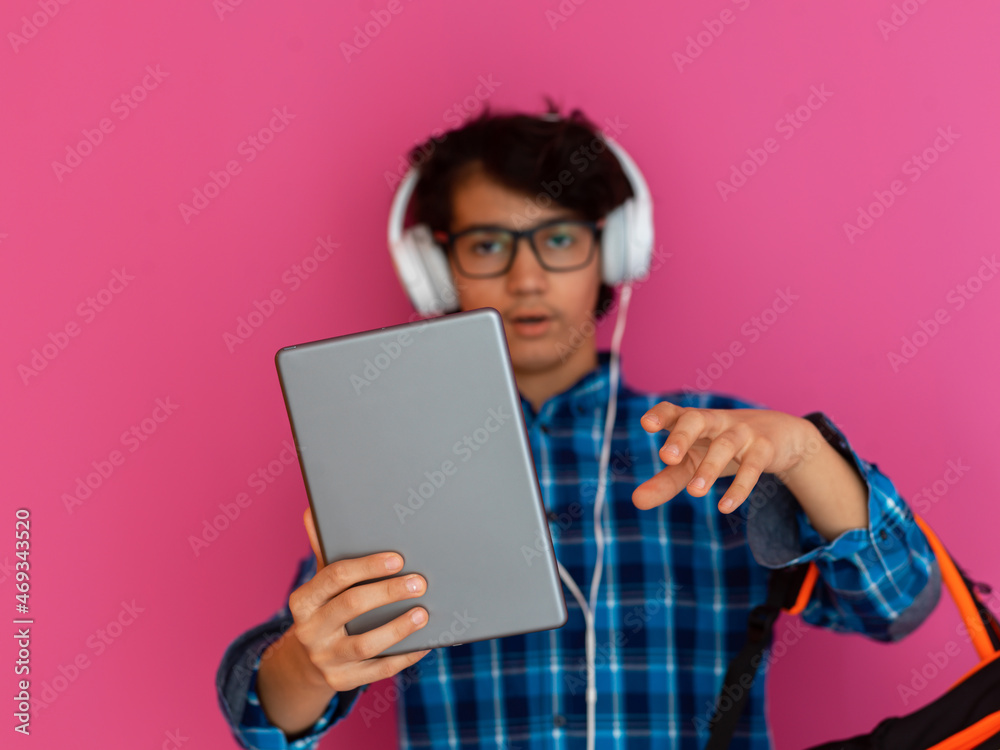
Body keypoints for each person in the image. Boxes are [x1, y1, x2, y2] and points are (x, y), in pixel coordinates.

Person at [216, 100, 941, 749]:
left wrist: (809, 453)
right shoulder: (398, 468)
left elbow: (897, 605)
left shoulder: (721, 444)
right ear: (438, 272)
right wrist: (307, 661)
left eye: (558, 240)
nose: (526, 279)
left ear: (611, 256)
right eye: (489, 244)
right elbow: (268, 718)